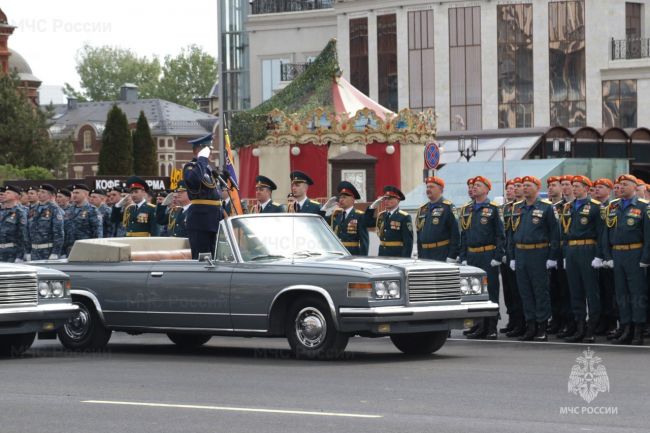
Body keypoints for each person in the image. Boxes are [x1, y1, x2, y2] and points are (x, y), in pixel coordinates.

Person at [509, 176, 560, 342]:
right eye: (523, 186)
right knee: (525, 292)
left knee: (540, 291)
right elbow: (511, 233)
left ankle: (541, 327)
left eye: (528, 185)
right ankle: (530, 326)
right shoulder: (517, 208)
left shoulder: (546, 207)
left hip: (538, 253)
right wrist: (512, 256)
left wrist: (552, 257)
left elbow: (555, 233)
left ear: (537, 188)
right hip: (521, 253)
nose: (524, 188)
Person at [602, 174, 650, 345]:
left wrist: (645, 257)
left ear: (635, 187)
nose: (621, 187)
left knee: (636, 294)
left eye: (625, 184)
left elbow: (648, 235)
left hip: (635, 254)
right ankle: (626, 327)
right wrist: (607, 256)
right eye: (619, 185)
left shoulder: (644, 207)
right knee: (621, 293)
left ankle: (638, 329)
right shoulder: (613, 207)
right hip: (618, 254)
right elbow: (606, 233)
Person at [559, 175, 604, 343]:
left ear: (586, 188)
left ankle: (591, 328)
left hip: (588, 249)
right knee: (575, 290)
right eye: (573, 186)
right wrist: (564, 255)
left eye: (577, 186)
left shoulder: (595, 207)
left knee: (590, 290)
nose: (574, 188)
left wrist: (599, 255)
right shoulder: (568, 207)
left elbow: (601, 233)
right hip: (571, 249)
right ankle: (579, 327)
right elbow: (563, 233)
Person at [459, 176, 504, 340]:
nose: (475, 187)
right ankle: (479, 325)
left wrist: (498, 256)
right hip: (472, 255)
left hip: (487, 254)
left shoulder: (493, 209)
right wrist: (463, 256)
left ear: (487, 189)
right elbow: (464, 235)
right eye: (474, 185)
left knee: (490, 291)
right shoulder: (467, 210)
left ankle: (491, 326)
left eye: (478, 185)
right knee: (473, 291)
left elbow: (500, 235)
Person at [182, 134, 223, 258]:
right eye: (207, 150)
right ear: (198, 151)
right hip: (200, 221)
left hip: (214, 220)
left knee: (215, 258)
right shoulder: (191, 167)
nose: (210, 153)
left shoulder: (208, 170)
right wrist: (202, 159)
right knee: (202, 258)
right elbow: (194, 180)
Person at [592, 178, 618, 336]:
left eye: (601, 187)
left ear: (609, 190)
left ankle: (611, 322)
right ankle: (602, 320)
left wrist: (605, 255)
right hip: (595, 253)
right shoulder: (594, 207)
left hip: (608, 254)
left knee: (610, 291)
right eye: (595, 188)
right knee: (598, 289)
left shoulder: (613, 206)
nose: (597, 190)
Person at [551, 175, 576, 338]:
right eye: (564, 184)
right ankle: (558, 320)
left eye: (567, 184)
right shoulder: (557, 207)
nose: (566, 187)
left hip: (571, 250)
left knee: (570, 290)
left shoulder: (575, 206)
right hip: (557, 250)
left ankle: (571, 322)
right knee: (556, 288)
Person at [501, 178, 525, 337]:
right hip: (508, 253)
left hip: (522, 253)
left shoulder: (525, 208)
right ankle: (513, 320)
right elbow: (505, 233)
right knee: (509, 290)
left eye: (516, 187)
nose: (512, 190)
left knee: (520, 290)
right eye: (510, 188)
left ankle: (522, 322)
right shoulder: (507, 208)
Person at [415, 176, 459, 262]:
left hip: (441, 253)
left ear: (441, 190)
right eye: (427, 187)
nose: (428, 189)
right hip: (424, 254)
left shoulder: (448, 207)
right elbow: (419, 235)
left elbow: (455, 234)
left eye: (431, 187)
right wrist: (420, 255)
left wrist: (452, 256)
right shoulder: (422, 209)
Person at [364, 186, 413, 258]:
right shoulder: (381, 215)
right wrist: (372, 207)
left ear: (398, 200)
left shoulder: (404, 217)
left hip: (397, 256)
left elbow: (408, 243)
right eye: (385, 199)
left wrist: (405, 260)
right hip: (382, 255)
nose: (386, 201)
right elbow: (366, 222)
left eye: (390, 198)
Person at [324, 181, 368, 255]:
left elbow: (364, 241)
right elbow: (322, 223)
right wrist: (325, 208)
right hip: (337, 253)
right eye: (340, 197)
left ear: (353, 199)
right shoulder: (336, 215)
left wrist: (363, 258)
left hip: (352, 254)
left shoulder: (360, 216)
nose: (341, 200)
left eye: (344, 197)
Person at [26, 184, 64, 261]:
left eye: (43, 192)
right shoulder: (33, 210)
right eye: (39, 191)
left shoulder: (54, 209)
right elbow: (27, 232)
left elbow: (59, 233)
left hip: (48, 251)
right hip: (34, 251)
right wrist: (28, 251)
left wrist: (55, 252)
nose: (39, 194)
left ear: (51, 195)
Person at [64, 184, 103, 255]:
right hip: (69, 249)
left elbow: (97, 232)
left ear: (85, 194)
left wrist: (96, 249)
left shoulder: (92, 210)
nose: (74, 195)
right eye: (73, 193)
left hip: (86, 248)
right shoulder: (69, 210)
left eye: (77, 193)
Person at [0, 185, 28, 263]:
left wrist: (20, 255)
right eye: (5, 193)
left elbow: (23, 235)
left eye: (8, 193)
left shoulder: (20, 212)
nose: (5, 194)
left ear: (16, 196)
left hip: (12, 252)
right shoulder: (1, 211)